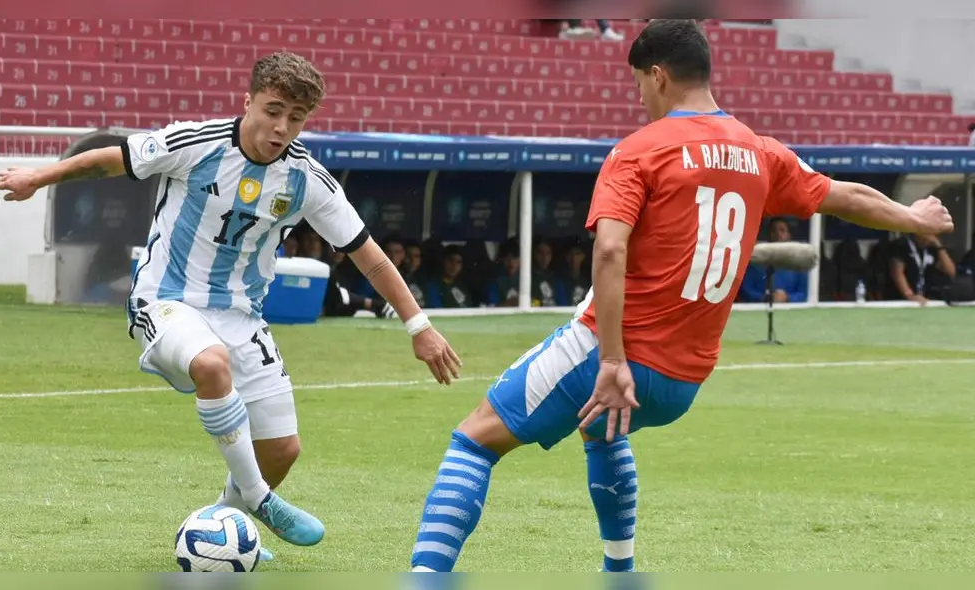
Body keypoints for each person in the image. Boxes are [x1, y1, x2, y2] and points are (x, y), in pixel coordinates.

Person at [408, 20, 954, 573]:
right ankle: (620, 574)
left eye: (639, 84)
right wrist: (911, 217)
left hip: (617, 353)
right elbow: (844, 195)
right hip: (683, 381)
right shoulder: (758, 151)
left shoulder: (639, 151)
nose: (639, 97)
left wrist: (614, 359)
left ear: (659, 75)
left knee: (474, 440)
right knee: (603, 430)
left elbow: (611, 252)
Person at [0, 51, 462, 562]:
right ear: (248, 102)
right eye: (273, 109)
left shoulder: (307, 180)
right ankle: (259, 499)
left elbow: (369, 258)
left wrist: (419, 325)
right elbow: (113, 156)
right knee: (210, 366)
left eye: (296, 118)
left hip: (242, 315)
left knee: (282, 449)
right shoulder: (195, 143)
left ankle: (220, 531)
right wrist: (41, 176)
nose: (282, 127)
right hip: (167, 299)